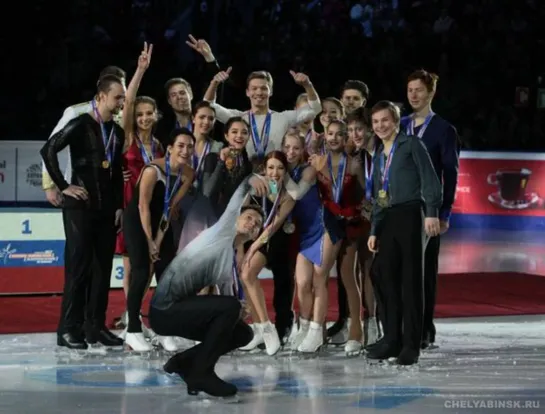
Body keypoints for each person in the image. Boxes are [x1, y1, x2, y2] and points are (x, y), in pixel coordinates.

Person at [149, 178, 264, 398]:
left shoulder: (227, 256)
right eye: (248, 217)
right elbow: (240, 193)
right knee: (230, 308)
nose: (252, 223)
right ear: (236, 218)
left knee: (242, 332)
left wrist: (239, 308)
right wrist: (253, 179)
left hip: (176, 310)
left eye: (257, 224)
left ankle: (184, 362)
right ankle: (201, 373)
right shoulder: (222, 231)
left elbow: (225, 301)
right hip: (164, 310)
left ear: (256, 236)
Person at [40, 75, 126, 349]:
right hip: (80, 208)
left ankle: (95, 326)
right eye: (118, 98)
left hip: (106, 210)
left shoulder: (117, 131)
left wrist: (119, 206)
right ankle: (68, 329)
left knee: (103, 269)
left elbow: (114, 174)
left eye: (123, 98)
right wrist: (64, 186)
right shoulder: (80, 124)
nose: (122, 103)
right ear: (101, 97)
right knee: (79, 269)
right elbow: (49, 149)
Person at [366, 101, 442, 366]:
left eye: (385, 120)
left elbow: (430, 179)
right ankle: (391, 339)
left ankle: (411, 344)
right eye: (375, 122)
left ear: (396, 121)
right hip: (387, 217)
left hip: (411, 214)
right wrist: (375, 228)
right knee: (384, 275)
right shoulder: (378, 154)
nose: (380, 126)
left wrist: (432, 211)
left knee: (410, 281)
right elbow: (378, 194)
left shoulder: (411, 145)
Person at [123, 128, 195, 352]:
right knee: (142, 272)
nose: (185, 150)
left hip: (160, 224)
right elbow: (143, 207)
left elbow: (169, 208)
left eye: (189, 146)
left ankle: (164, 329)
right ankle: (133, 330)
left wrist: (159, 239)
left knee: (165, 275)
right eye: (180, 146)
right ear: (171, 148)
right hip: (137, 222)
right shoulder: (153, 170)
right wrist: (149, 241)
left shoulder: (187, 174)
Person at [403, 69, 459, 349]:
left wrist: (443, 212)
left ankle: (425, 327)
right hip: (400, 208)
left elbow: (450, 173)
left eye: (419, 90)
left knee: (424, 270)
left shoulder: (444, 130)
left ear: (431, 93)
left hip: (428, 211)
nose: (413, 95)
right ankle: (401, 325)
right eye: (410, 90)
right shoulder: (400, 124)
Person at [41, 66, 126, 207]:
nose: (121, 100)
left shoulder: (121, 116)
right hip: (78, 186)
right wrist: (50, 185)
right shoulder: (77, 113)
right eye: (117, 94)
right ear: (102, 90)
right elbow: (50, 147)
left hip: (107, 192)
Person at [239, 151, 296, 355]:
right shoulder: (257, 187)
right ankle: (257, 329)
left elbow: (273, 227)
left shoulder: (288, 196)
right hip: (253, 238)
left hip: (274, 241)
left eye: (280, 168)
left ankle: (268, 328)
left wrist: (253, 247)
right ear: (264, 169)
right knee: (246, 276)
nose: (275, 172)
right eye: (271, 168)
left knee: (249, 274)